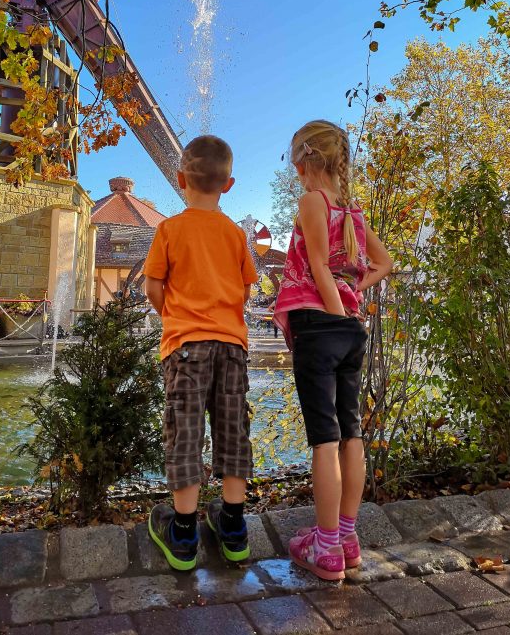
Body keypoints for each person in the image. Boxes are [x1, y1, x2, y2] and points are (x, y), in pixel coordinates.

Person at [273, 120, 392, 581]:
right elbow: (384, 263)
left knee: (324, 437)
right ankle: (345, 537)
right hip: (349, 332)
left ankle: (325, 549)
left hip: (320, 327)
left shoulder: (311, 202)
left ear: (305, 162)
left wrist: (332, 304)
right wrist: (352, 294)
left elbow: (319, 265)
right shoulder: (353, 213)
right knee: (351, 433)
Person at [144, 135, 258, 571]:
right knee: (232, 430)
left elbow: (154, 286)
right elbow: (246, 288)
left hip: (185, 347)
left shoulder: (169, 229)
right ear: (228, 185)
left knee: (185, 432)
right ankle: (233, 529)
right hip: (232, 348)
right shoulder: (234, 233)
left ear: (179, 179)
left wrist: (174, 315)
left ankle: (185, 534)